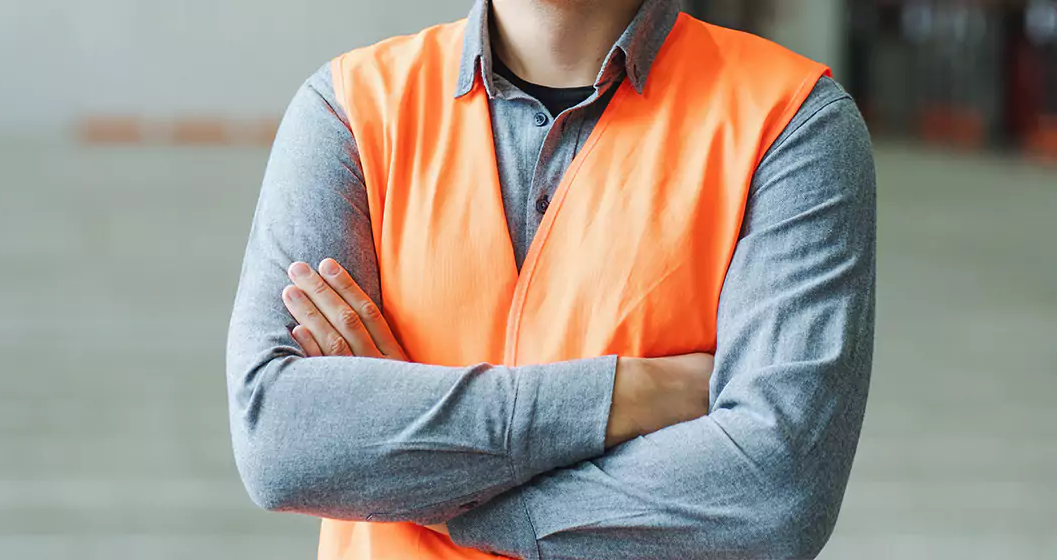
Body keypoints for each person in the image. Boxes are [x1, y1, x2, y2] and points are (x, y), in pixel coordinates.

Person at [224, 0, 876, 558]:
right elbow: (279, 439)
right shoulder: (349, 109)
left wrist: (434, 493)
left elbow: (774, 493)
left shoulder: (790, 124)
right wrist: (623, 396)